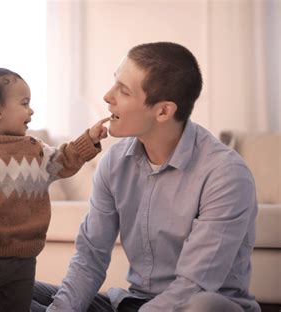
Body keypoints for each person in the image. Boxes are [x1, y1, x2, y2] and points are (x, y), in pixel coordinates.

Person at [30, 42, 261, 311]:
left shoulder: (225, 175)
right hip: (134, 303)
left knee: (202, 306)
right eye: (114, 83)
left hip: (200, 304)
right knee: (2, 291)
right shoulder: (114, 163)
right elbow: (90, 258)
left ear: (163, 111)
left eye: (123, 91)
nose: (107, 96)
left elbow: (193, 286)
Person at [0, 59, 110, 312]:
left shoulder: (35, 150)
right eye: (25, 104)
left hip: (23, 258)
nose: (31, 111)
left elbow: (64, 159)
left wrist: (89, 139)